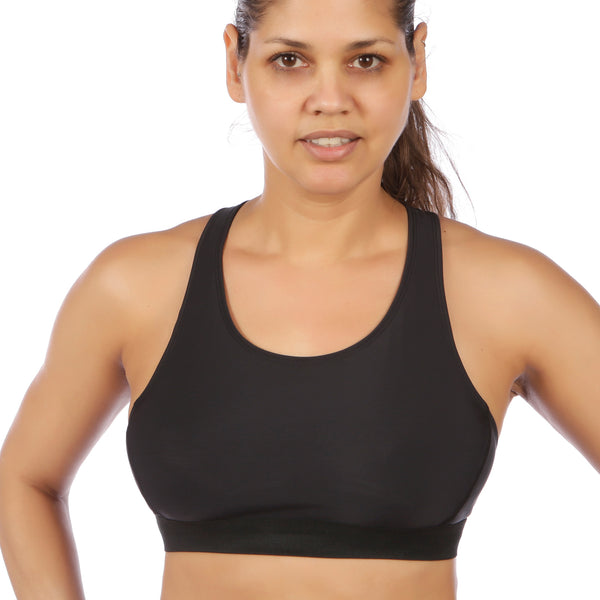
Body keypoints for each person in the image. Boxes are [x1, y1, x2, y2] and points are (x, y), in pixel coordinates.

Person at [1, 0, 599, 598]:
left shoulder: (506, 293)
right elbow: (23, 480)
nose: (330, 99)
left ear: (417, 63)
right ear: (235, 65)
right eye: (290, 60)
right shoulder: (134, 286)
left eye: (366, 60)